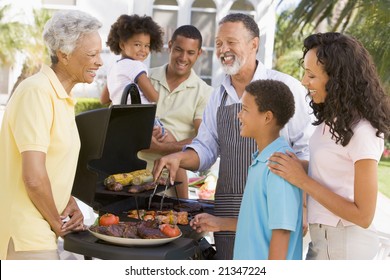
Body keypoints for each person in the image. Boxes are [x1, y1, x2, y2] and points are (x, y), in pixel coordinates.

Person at [153, 13, 314, 259]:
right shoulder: (218, 96)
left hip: (272, 205)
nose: (223, 49)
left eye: (231, 42)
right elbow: (206, 148)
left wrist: (302, 205)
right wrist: (179, 158)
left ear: (254, 44)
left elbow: (305, 151)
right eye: (218, 43)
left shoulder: (285, 88)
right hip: (227, 206)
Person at [267, 32, 390, 260]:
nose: (304, 82)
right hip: (323, 241)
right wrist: (294, 166)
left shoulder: (363, 132)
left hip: (345, 246)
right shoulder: (331, 121)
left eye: (311, 75)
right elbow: (331, 173)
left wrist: (302, 179)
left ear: (337, 79)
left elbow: (364, 215)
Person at [0, 10, 103, 260]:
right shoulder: (36, 92)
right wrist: (57, 222)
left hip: (40, 229)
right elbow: (34, 178)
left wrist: (67, 201)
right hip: (26, 234)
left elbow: (49, 166)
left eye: (100, 53)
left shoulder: (61, 97)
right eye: (92, 54)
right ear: (64, 54)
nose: (100, 62)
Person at [139, 25, 213, 198]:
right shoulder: (145, 78)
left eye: (190, 52)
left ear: (199, 53)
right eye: (178, 50)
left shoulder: (204, 92)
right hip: (131, 179)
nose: (183, 57)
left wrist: (163, 147)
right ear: (170, 45)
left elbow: (202, 138)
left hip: (170, 189)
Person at [233, 79, 302, 260]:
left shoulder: (280, 164)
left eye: (245, 110)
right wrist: (219, 223)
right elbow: (257, 224)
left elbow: (282, 232)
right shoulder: (261, 160)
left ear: (267, 117)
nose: (239, 115)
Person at [100, 14, 164, 105]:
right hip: (139, 117)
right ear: (122, 45)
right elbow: (153, 97)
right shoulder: (135, 66)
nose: (143, 50)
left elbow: (104, 99)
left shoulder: (113, 68)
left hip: (121, 116)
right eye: (137, 44)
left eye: (147, 46)